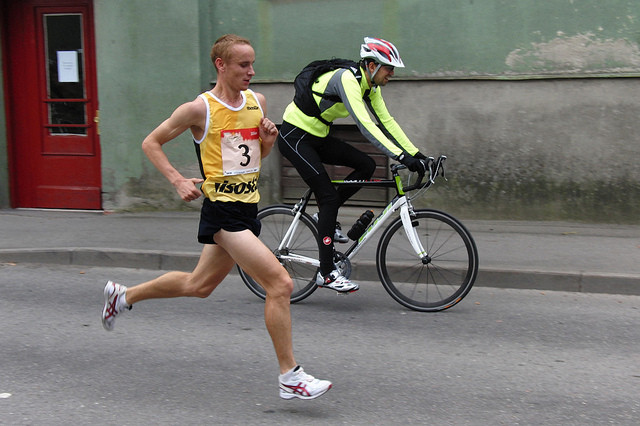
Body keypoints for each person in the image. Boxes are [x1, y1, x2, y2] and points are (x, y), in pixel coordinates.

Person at [101, 34, 331, 400]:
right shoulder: (199, 109)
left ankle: (123, 295)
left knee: (199, 286)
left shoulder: (258, 101)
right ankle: (290, 375)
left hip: (248, 206)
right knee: (281, 284)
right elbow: (151, 142)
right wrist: (177, 180)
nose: (251, 72)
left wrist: (268, 140)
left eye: (253, 64)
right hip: (223, 213)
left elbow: (255, 155)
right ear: (220, 66)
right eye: (243, 65)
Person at [277, 36, 429, 293]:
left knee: (366, 165)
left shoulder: (371, 87)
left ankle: (323, 218)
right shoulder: (346, 79)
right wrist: (402, 157)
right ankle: (326, 273)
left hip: (318, 137)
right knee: (327, 197)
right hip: (295, 138)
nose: (392, 73)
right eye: (388, 68)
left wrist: (417, 154)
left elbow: (387, 122)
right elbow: (366, 125)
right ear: (371, 66)